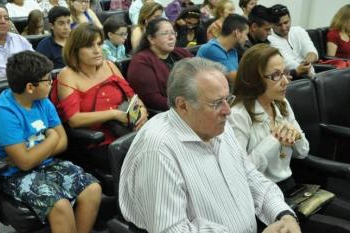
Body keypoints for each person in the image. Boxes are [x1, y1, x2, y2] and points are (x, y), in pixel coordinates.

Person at [119, 57, 301, 233]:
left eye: (227, 99)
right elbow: (171, 229)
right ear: (183, 105)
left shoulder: (218, 126)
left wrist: (283, 215)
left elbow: (250, 177)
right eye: (216, 103)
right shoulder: (158, 150)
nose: (228, 110)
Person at [230, 43, 350, 231]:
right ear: (254, 80)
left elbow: (303, 152)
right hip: (262, 200)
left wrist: (296, 139)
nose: (286, 80)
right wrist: (273, 140)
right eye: (276, 75)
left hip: (292, 188)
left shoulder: (281, 102)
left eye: (285, 72)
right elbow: (240, 174)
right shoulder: (238, 115)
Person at [0, 50, 102, 233]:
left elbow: (63, 142)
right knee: (60, 206)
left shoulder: (42, 101)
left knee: (92, 189)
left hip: (47, 164)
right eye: (47, 80)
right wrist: (52, 138)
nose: (51, 83)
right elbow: (24, 163)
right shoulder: (4, 113)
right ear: (30, 87)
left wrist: (37, 152)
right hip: (15, 175)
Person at [51, 23, 148, 171]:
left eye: (99, 44)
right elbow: (74, 120)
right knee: (145, 162)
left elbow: (132, 98)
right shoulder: (67, 75)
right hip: (97, 139)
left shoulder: (109, 65)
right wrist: (114, 114)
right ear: (75, 50)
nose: (97, 51)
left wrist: (142, 111)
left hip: (127, 129)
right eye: (90, 46)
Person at [128, 17, 193, 111]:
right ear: (151, 39)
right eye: (165, 34)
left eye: (173, 33)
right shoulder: (141, 62)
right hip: (169, 112)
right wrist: (187, 107)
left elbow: (201, 75)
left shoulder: (181, 53)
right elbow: (153, 100)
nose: (171, 38)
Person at [268, 4, 317, 78]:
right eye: (279, 25)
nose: (284, 28)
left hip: (309, 74)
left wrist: (307, 62)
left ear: (290, 19)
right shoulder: (269, 38)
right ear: (272, 25)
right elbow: (287, 63)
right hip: (291, 78)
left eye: (286, 22)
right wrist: (305, 69)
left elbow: (312, 52)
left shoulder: (299, 30)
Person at [197, 14, 249, 83]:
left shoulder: (232, 50)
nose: (247, 39)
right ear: (237, 33)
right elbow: (234, 78)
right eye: (246, 34)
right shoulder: (211, 49)